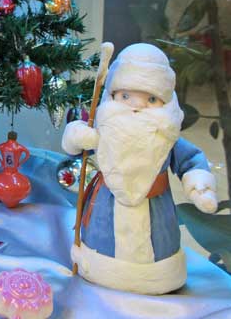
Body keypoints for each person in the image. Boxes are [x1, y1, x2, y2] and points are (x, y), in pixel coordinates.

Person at [62, 43, 218, 295]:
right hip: (105, 212)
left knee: (157, 241)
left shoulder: (165, 138)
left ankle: (154, 275)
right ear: (113, 96)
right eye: (125, 96)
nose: (136, 106)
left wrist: (199, 186)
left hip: (156, 213)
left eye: (151, 99)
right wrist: (78, 137)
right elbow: (75, 148)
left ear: (165, 102)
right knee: (105, 239)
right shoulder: (106, 130)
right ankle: (103, 267)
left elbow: (190, 160)